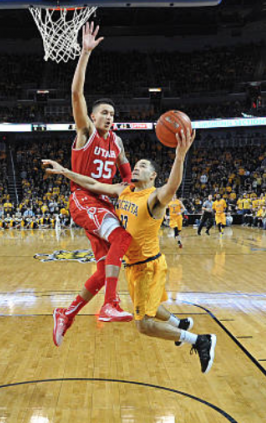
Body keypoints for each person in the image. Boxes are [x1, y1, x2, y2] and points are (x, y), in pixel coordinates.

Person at [43, 128, 217, 374]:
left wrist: (179, 157)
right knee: (151, 307)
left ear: (153, 174)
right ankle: (181, 323)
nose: (136, 168)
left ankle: (199, 340)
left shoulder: (154, 197)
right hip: (133, 267)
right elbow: (92, 183)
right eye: (135, 165)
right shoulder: (124, 190)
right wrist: (64, 172)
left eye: (143, 166)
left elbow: (172, 185)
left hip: (148, 266)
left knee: (144, 325)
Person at [51, 22, 135, 347]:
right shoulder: (85, 133)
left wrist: (133, 193)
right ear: (93, 117)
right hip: (83, 198)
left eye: (112, 113)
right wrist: (85, 54)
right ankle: (110, 305)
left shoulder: (118, 143)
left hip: (104, 204)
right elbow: (76, 93)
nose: (109, 116)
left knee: (102, 272)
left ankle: (67, 313)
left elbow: (127, 178)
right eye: (104, 112)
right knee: (122, 238)